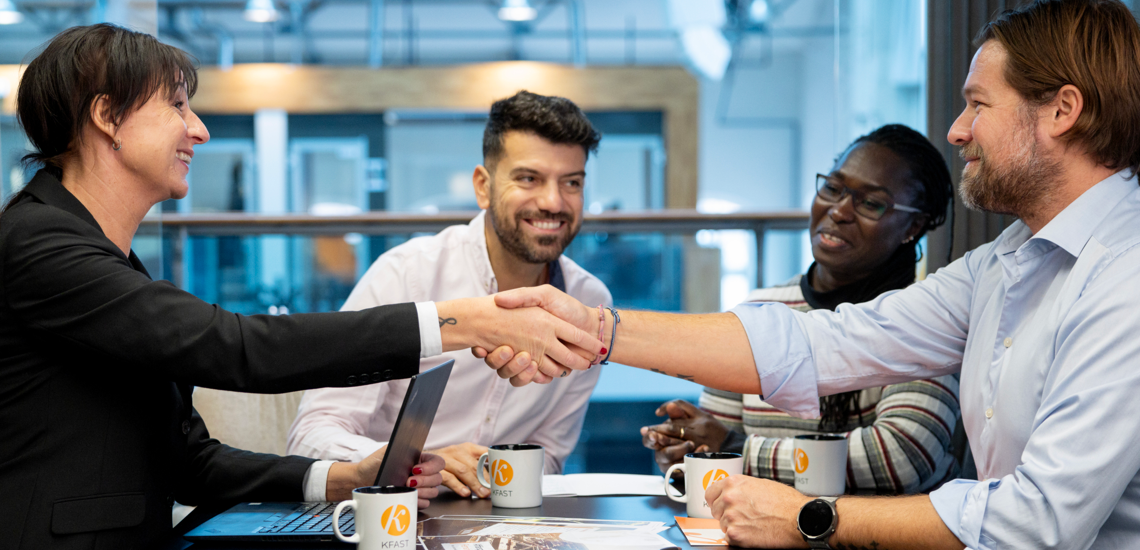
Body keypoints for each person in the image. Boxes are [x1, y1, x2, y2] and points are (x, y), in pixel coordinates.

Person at [482, 1, 1140, 547]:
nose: (957, 129)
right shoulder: (1001, 264)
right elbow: (819, 344)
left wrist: (808, 518)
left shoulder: (1125, 276)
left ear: (1062, 111)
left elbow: (1038, 520)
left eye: (978, 105)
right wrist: (595, 328)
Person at [0, 24, 601, 549]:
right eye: (178, 106)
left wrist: (343, 479)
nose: (200, 130)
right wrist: (463, 322)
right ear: (108, 117)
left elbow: (190, 463)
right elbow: (234, 347)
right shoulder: (38, 245)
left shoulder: (103, 258)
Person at [287, 91, 612, 498]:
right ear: (483, 186)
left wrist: (490, 478)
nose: (553, 202)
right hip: (390, 518)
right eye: (528, 179)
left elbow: (549, 459)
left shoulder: (590, 304)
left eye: (572, 183)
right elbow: (310, 438)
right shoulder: (407, 275)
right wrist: (422, 461)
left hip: (504, 524)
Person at [641, 124, 961, 495]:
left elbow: (900, 457)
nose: (839, 211)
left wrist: (737, 450)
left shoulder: (925, 318)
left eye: (870, 203)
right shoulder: (760, 310)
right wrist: (686, 456)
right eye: (832, 188)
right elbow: (711, 445)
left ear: (914, 226)